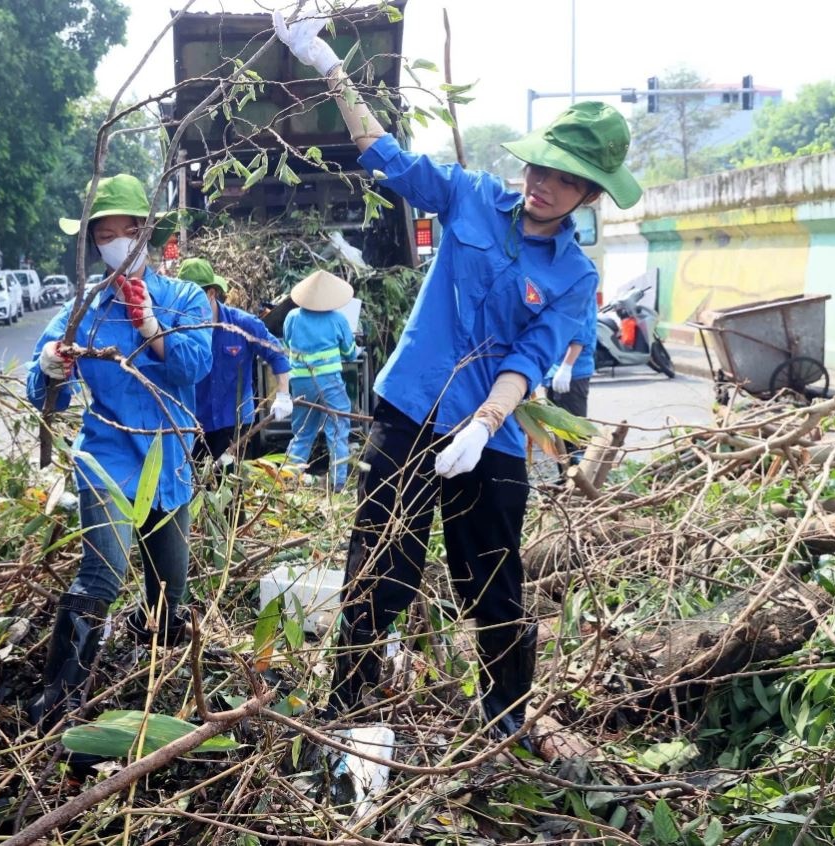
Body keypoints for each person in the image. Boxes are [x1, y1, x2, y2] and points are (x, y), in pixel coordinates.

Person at [273, 12, 642, 741]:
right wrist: (330, 69)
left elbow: (529, 359)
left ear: (589, 195)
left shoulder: (573, 276)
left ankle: (504, 720)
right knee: (379, 568)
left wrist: (484, 423)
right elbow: (386, 156)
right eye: (541, 168)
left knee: (492, 581)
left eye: (566, 180)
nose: (544, 185)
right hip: (410, 410)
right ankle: (345, 708)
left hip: (488, 438)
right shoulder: (470, 196)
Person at [26, 173, 213, 726]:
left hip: (169, 464)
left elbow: (195, 366)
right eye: (103, 236)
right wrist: (49, 367)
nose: (114, 244)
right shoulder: (84, 310)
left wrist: (150, 324)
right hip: (107, 461)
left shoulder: (183, 298)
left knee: (169, 597)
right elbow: (45, 392)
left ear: (147, 233)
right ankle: (57, 702)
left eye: (125, 232)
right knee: (101, 574)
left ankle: (146, 658)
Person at [180, 257, 292, 463]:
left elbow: (276, 353)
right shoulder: (178, 328)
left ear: (211, 294)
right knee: (197, 480)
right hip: (193, 425)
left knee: (231, 479)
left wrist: (283, 394)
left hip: (235, 425)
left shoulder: (242, 324)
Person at [281, 270, 357, 493]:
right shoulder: (338, 319)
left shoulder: (293, 317)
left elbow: (286, 343)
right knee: (338, 428)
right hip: (330, 382)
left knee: (303, 432)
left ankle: (289, 481)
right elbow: (350, 353)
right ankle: (338, 484)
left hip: (300, 381)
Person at [545, 297, 599, 464]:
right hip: (554, 372)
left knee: (575, 433)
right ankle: (565, 475)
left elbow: (580, 335)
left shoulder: (582, 293)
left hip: (571, 374)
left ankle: (580, 474)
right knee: (558, 432)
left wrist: (567, 367)